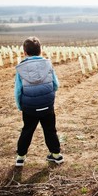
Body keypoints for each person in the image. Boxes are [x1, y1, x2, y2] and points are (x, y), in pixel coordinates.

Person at [14, 36, 63, 167]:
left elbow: (18, 90)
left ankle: (20, 157)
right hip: (47, 105)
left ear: (24, 52)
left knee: (27, 130)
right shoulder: (48, 65)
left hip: (29, 108)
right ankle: (56, 155)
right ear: (41, 50)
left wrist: (21, 106)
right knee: (50, 130)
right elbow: (56, 84)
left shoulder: (21, 69)